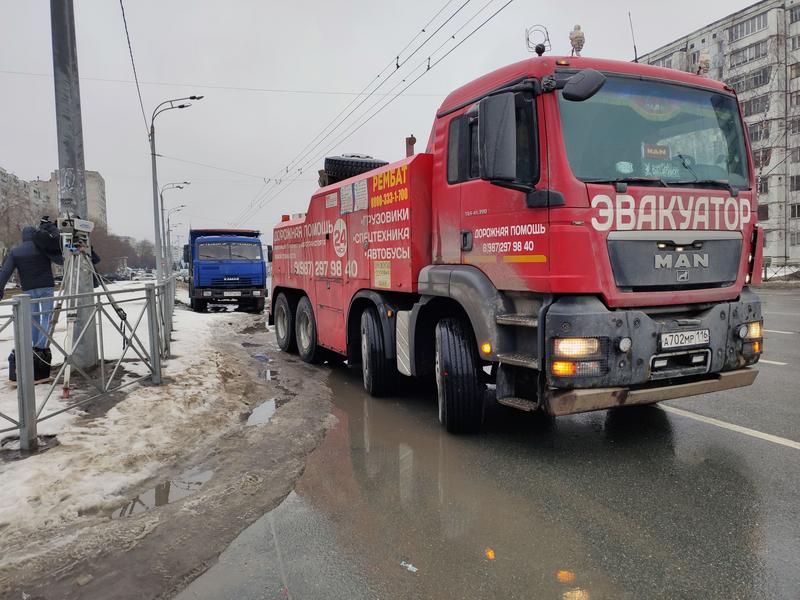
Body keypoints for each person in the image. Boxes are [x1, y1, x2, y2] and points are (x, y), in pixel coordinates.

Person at [0, 224, 64, 380]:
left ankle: (34, 347)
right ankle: (40, 348)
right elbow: (60, 260)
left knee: (33, 319)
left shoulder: (16, 252)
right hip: (46, 287)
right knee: (47, 317)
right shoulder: (42, 247)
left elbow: (5, 272)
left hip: (29, 290)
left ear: (23, 237)